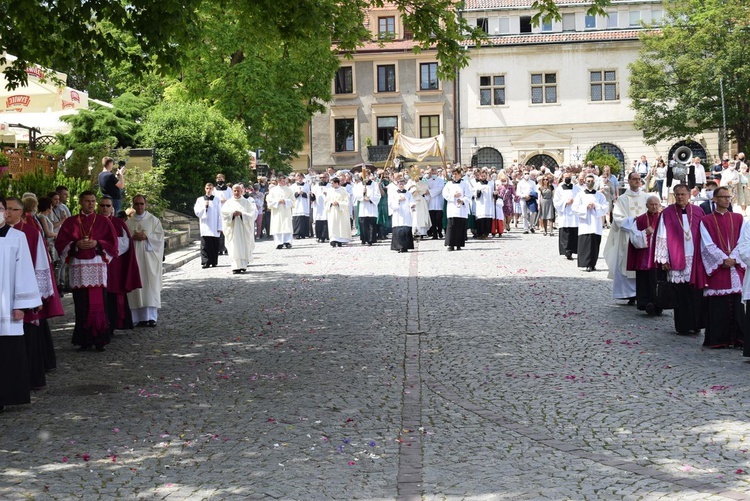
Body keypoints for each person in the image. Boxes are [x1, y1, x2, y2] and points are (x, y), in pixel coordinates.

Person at [56, 191, 119, 351]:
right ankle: (84, 339)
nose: (90, 204)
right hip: (79, 268)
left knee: (99, 304)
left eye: (92, 201)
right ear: (80, 202)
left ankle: (99, 340)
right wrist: (75, 244)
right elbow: (61, 242)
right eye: (87, 201)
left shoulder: (103, 221)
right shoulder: (71, 222)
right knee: (81, 303)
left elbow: (113, 243)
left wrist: (97, 243)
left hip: (97, 266)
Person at [0, 197, 43, 412]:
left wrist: (21, 305)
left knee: (7, 352)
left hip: (7, 306)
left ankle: (6, 396)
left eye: (0, 209)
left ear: (5, 213)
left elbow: (25, 271)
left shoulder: (18, 237)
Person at [653, 184, 706, 334]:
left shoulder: (698, 211)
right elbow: (661, 235)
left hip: (695, 258)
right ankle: (683, 325)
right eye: (677, 194)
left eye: (683, 194)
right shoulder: (668, 212)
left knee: (696, 292)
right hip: (676, 257)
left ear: (689, 195)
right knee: (681, 294)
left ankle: (696, 324)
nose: (680, 197)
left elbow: (705, 235)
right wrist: (664, 259)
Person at [699, 186, 745, 348]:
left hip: (736, 266)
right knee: (719, 307)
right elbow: (706, 245)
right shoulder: (706, 220)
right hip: (718, 268)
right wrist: (723, 259)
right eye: (723, 197)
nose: (727, 200)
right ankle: (719, 339)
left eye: (728, 197)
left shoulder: (739, 218)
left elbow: (744, 241)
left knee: (739, 305)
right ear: (715, 199)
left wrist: (734, 258)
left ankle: (740, 339)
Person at [603, 171, 650, 302]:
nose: (636, 181)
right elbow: (618, 218)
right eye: (634, 179)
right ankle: (629, 294)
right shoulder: (622, 199)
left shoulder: (646, 197)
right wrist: (635, 222)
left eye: (638, 179)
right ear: (628, 181)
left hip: (644, 236)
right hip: (627, 236)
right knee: (626, 263)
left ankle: (642, 292)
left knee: (642, 263)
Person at [98, 195, 141, 336]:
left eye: (108, 206)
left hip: (113, 264)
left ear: (112, 208)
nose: (105, 208)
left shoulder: (118, 223)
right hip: (95, 264)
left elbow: (124, 243)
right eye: (102, 205)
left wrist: (106, 252)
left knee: (113, 295)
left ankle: (114, 323)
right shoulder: (93, 222)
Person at [126, 195, 164, 328]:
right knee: (136, 289)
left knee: (150, 286)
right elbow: (123, 240)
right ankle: (137, 318)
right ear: (133, 205)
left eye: (141, 204)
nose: (139, 206)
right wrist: (132, 236)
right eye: (136, 204)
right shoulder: (128, 222)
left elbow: (160, 238)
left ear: (145, 204)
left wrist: (147, 236)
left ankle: (151, 317)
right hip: (134, 260)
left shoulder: (153, 220)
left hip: (149, 260)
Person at [627, 195, 662, 314]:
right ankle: (644, 303)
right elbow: (633, 237)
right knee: (643, 279)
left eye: (656, 204)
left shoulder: (664, 218)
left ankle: (658, 304)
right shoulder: (640, 219)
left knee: (657, 280)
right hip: (644, 255)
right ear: (646, 205)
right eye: (652, 204)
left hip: (659, 255)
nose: (654, 206)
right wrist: (646, 232)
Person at [572, 174, 608, 271]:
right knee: (585, 243)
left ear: (594, 182)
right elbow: (574, 208)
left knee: (595, 244)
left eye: (592, 181)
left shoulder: (600, 195)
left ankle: (593, 263)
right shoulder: (580, 195)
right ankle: (586, 263)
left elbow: (605, 207)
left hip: (596, 223)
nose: (590, 183)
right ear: (585, 182)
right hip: (585, 223)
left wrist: (595, 206)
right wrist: (585, 207)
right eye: (588, 181)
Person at [222, 184, 257, 274]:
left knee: (243, 246)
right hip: (233, 230)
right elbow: (224, 214)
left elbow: (252, 215)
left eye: (238, 191)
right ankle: (235, 266)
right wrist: (232, 215)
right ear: (232, 191)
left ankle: (243, 265)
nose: (236, 193)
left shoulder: (246, 202)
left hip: (243, 230)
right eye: (235, 191)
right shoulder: (228, 203)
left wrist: (242, 214)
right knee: (234, 247)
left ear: (241, 191)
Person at [442, 167, 471, 251]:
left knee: (460, 226)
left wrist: (462, 200)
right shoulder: (449, 184)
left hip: (461, 208)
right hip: (452, 208)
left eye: (456, 174)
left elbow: (468, 195)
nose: (454, 176)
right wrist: (453, 196)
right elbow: (444, 194)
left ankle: (459, 244)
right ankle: (450, 244)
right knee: (451, 226)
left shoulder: (465, 184)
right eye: (453, 174)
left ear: (460, 175)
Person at [194, 183, 223, 269]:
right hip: (205, 225)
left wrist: (220, 227)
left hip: (214, 226)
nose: (208, 190)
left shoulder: (217, 200)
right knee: (205, 245)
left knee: (214, 245)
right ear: (205, 189)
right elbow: (197, 212)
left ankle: (213, 261)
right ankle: (205, 261)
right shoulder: (200, 200)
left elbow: (220, 214)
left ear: (213, 189)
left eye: (210, 188)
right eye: (207, 188)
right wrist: (204, 207)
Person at [554, 172, 580, 260]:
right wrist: (565, 202)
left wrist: (574, 201)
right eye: (566, 177)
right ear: (563, 178)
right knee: (565, 232)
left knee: (573, 232)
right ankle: (566, 250)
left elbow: (580, 199)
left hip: (573, 214)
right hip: (564, 213)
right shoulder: (559, 189)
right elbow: (556, 202)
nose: (567, 178)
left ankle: (572, 250)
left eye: (569, 177)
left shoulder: (576, 188)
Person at [267, 174, 294, 249]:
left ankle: (288, 242)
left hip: (286, 210)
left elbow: (293, 200)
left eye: (284, 180)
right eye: (282, 180)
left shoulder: (289, 190)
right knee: (277, 226)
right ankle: (279, 243)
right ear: (278, 181)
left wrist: (285, 201)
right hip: (277, 211)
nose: (284, 182)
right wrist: (278, 201)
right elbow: (269, 200)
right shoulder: (273, 190)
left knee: (286, 225)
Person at [354, 171, 381, 246]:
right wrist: (362, 194)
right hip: (363, 206)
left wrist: (370, 198)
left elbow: (378, 195)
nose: (365, 177)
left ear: (369, 175)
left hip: (371, 206)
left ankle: (371, 240)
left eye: (367, 175)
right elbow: (356, 194)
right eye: (364, 175)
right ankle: (364, 239)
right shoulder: (359, 185)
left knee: (371, 224)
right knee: (363, 224)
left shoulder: (374, 184)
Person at [389, 179, 415, 253]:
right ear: (397, 184)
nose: (401, 185)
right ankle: (399, 246)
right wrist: (398, 200)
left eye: (402, 184)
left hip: (406, 213)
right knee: (398, 229)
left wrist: (412, 205)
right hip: (398, 213)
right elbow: (390, 203)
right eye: (400, 184)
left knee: (406, 229)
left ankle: (405, 247)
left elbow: (411, 201)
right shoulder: (393, 193)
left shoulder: (408, 193)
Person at [325, 177, 351, 247]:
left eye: (332, 183)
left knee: (340, 226)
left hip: (341, 212)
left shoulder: (343, 190)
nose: (331, 185)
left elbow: (346, 201)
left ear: (337, 183)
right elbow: (326, 200)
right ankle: (333, 239)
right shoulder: (329, 191)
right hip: (332, 211)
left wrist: (338, 203)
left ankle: (340, 240)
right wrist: (331, 203)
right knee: (333, 225)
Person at [407, 173, 431, 239]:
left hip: (421, 201)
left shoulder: (422, 183)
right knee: (414, 216)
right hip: (413, 201)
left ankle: (422, 233)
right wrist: (413, 190)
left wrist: (420, 191)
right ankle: (414, 232)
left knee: (422, 216)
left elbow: (426, 191)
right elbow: (407, 191)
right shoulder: (409, 182)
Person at [472, 169, 494, 239]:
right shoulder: (477, 184)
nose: (483, 177)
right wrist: (479, 191)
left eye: (484, 176)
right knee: (480, 220)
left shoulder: (490, 184)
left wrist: (495, 194)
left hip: (488, 204)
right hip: (480, 204)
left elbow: (493, 193)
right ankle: (480, 234)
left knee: (487, 220)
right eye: (482, 176)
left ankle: (486, 233)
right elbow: (474, 194)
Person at [213, 173, 231, 254]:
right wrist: (219, 201)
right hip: (217, 212)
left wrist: (226, 201)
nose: (219, 180)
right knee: (219, 231)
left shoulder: (228, 189)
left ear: (224, 179)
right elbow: (212, 200)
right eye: (218, 178)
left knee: (227, 230)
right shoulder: (214, 189)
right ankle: (219, 249)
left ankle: (227, 248)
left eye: (221, 178)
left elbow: (232, 199)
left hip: (227, 211)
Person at [426, 167, 445, 239]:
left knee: (439, 220)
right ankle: (434, 234)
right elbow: (426, 189)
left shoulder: (441, 180)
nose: (433, 174)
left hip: (438, 202)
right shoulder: (428, 181)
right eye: (432, 173)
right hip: (430, 203)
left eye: (434, 173)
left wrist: (430, 192)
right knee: (432, 220)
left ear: (437, 173)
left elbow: (440, 189)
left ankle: (440, 232)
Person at [311, 172, 330, 243]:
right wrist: (312, 196)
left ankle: (325, 236)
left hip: (326, 206)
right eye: (321, 178)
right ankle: (319, 236)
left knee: (326, 221)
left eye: (324, 177)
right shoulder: (315, 187)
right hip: (318, 206)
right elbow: (313, 199)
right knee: (318, 221)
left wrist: (327, 194)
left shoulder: (330, 186)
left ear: (327, 178)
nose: (322, 179)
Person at [291, 172, 311, 239]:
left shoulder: (307, 185)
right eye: (298, 176)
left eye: (301, 176)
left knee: (304, 219)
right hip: (296, 204)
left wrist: (303, 193)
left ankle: (304, 233)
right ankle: (296, 233)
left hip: (304, 204)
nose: (299, 178)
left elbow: (309, 194)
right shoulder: (293, 186)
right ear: (296, 178)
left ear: (303, 177)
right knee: (297, 219)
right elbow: (291, 196)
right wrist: (297, 193)